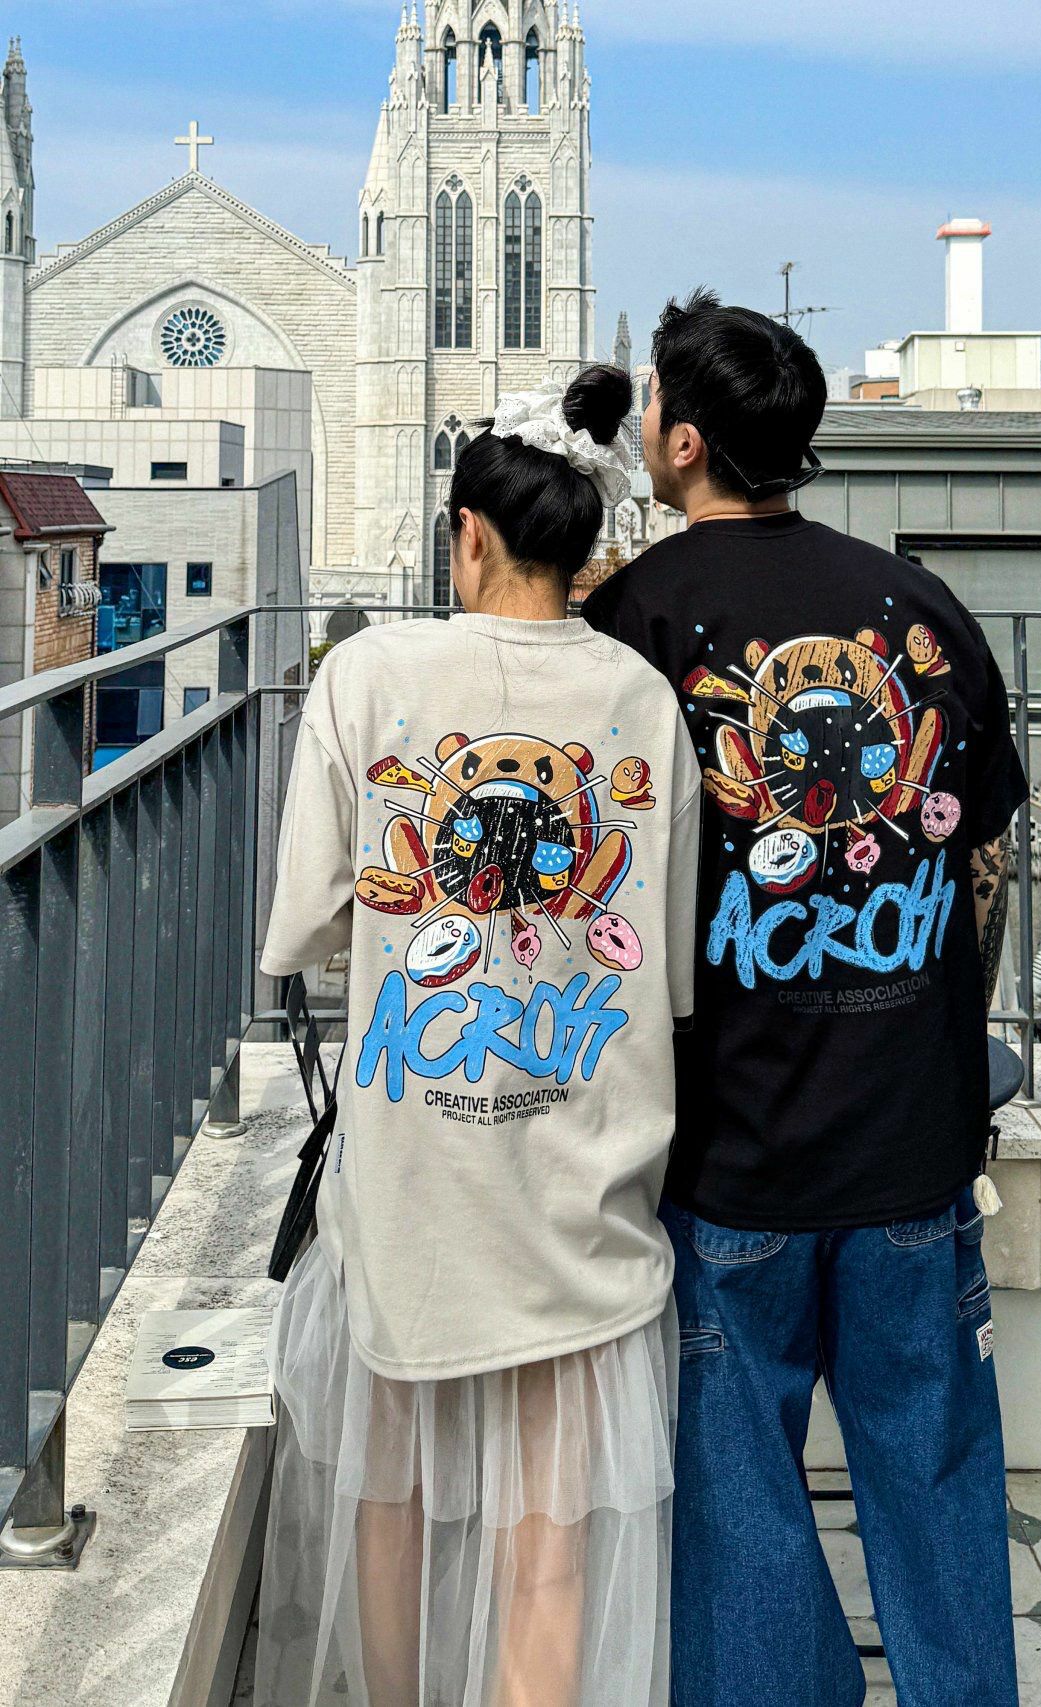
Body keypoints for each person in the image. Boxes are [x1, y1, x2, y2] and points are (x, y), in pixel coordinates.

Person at [582, 291, 1029, 1707]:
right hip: (912, 1139)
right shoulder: (923, 607)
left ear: (685, 439)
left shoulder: (633, 623)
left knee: (743, 1515)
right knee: (938, 1485)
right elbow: (984, 847)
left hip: (733, 1152)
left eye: (656, 399)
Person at [253, 365, 702, 1707]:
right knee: (550, 1538)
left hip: (415, 1181)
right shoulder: (642, 700)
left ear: (468, 532)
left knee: (386, 1493)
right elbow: (668, 967)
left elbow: (305, 925)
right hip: (583, 1177)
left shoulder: (369, 674)